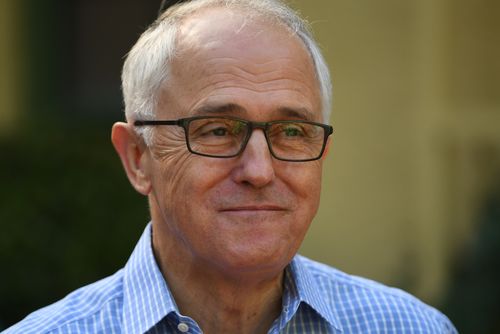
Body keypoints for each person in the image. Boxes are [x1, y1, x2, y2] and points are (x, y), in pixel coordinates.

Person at [4, 0, 457, 333]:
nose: (259, 171)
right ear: (138, 157)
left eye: (292, 132)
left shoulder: (409, 326)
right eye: (218, 130)